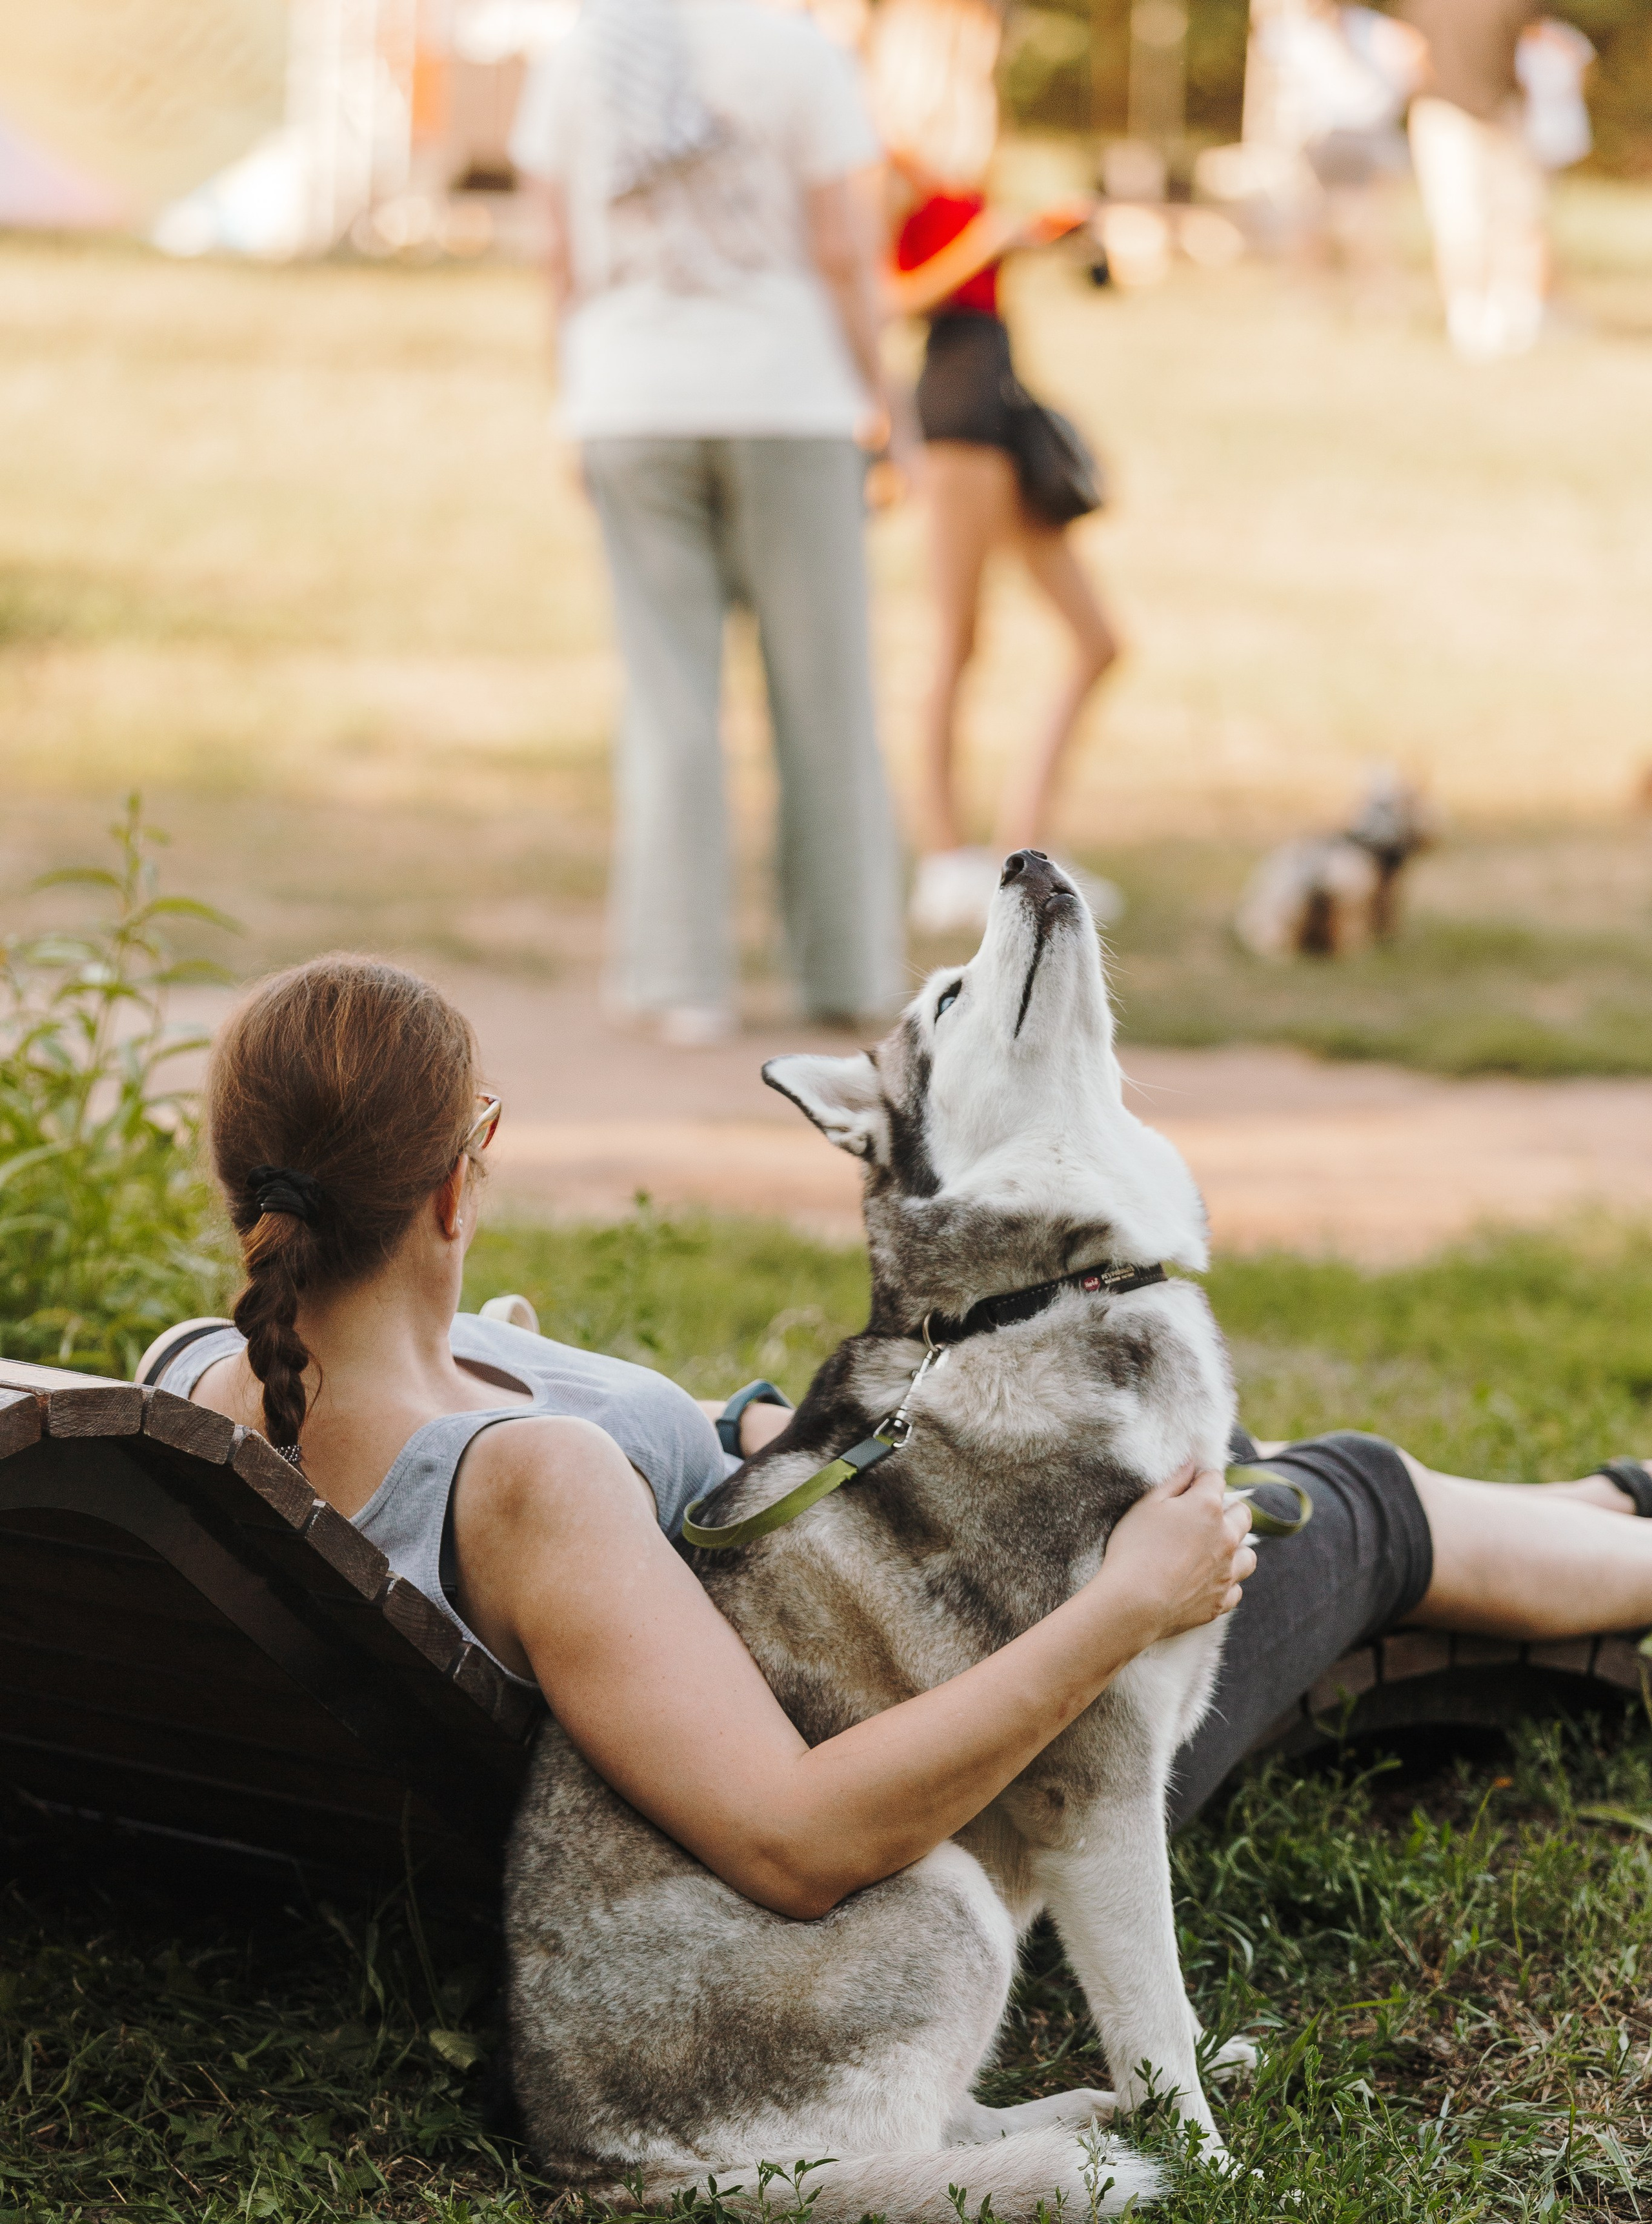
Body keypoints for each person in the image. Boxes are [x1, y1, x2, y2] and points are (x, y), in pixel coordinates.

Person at [140, 954, 1652, 1916]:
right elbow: (795, 1839)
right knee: (1343, 1496)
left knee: (1214, 1461)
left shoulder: (202, 1382)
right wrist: (1128, 1603)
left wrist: (604, 1392)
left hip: (852, 1592)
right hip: (970, 1772)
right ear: (456, 1190)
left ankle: (1605, 1503)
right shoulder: (530, 1487)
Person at [507, 0, 903, 1047]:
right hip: (790, 396)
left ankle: (682, 978)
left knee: (669, 700)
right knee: (825, 693)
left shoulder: (581, 55)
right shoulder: (801, 54)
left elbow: (556, 253)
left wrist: (570, 400)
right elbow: (839, 246)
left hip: (631, 395)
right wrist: (885, 402)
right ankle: (849, 971)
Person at [867, 0, 1122, 942]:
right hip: (954, 411)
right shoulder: (887, 158)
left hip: (1004, 401)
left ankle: (1024, 847)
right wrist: (990, 242)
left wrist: (1037, 238)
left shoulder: (961, 160)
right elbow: (882, 296)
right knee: (957, 638)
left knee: (1098, 639)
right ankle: (943, 854)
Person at [1399, 0, 1548, 359]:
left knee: (1464, 220)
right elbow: (1541, 48)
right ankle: (1500, 317)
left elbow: (1410, 54)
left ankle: (1477, 319)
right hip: (1491, 113)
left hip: (1450, 112)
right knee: (1507, 218)